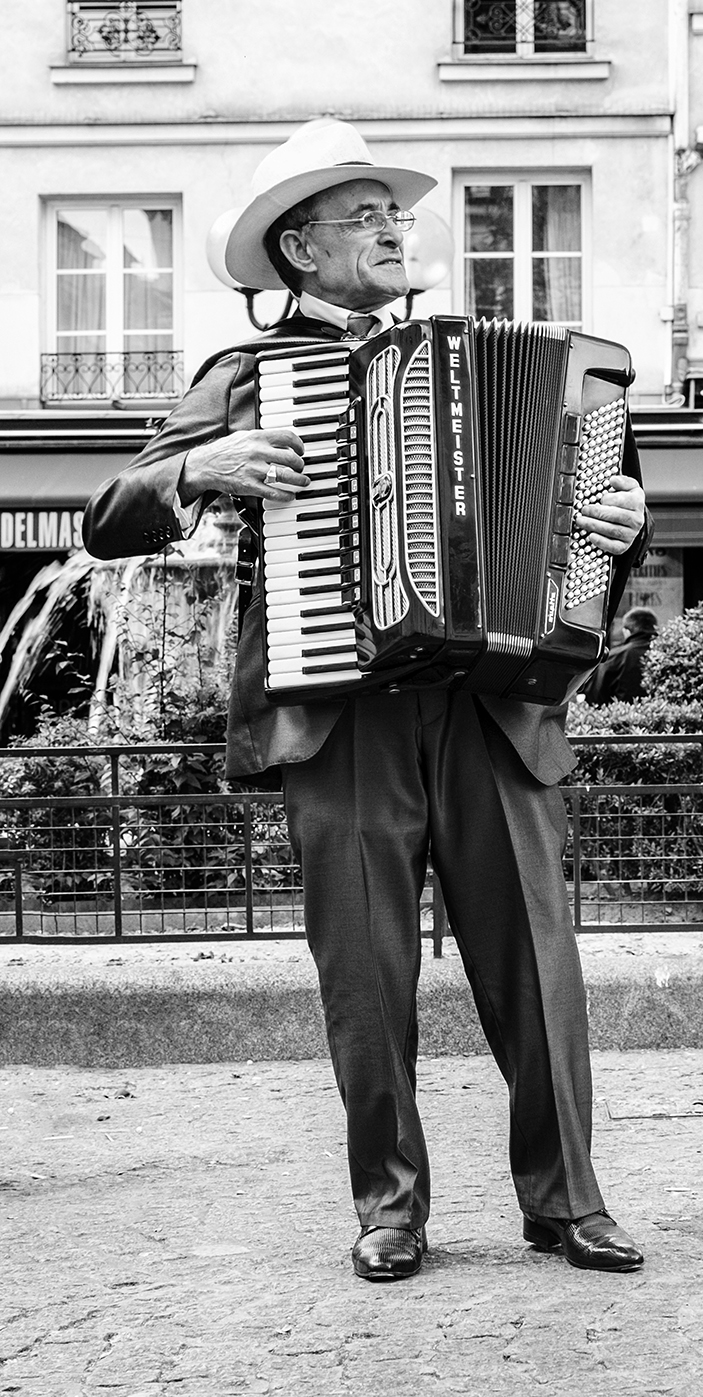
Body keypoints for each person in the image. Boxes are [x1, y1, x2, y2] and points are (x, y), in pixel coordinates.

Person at [82, 120, 651, 1283]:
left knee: (541, 965)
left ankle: (566, 1199)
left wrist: (620, 531)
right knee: (366, 974)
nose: (396, 228)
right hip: (341, 714)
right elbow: (107, 513)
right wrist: (200, 469)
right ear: (299, 246)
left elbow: (586, 527)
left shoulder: (516, 353)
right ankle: (389, 1205)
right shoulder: (247, 380)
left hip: (497, 704)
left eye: (398, 213)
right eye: (364, 214)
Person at [583, 606, 658, 704]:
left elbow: (595, 697)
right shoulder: (669, 656)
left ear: (626, 631)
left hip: (621, 715)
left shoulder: (614, 657)